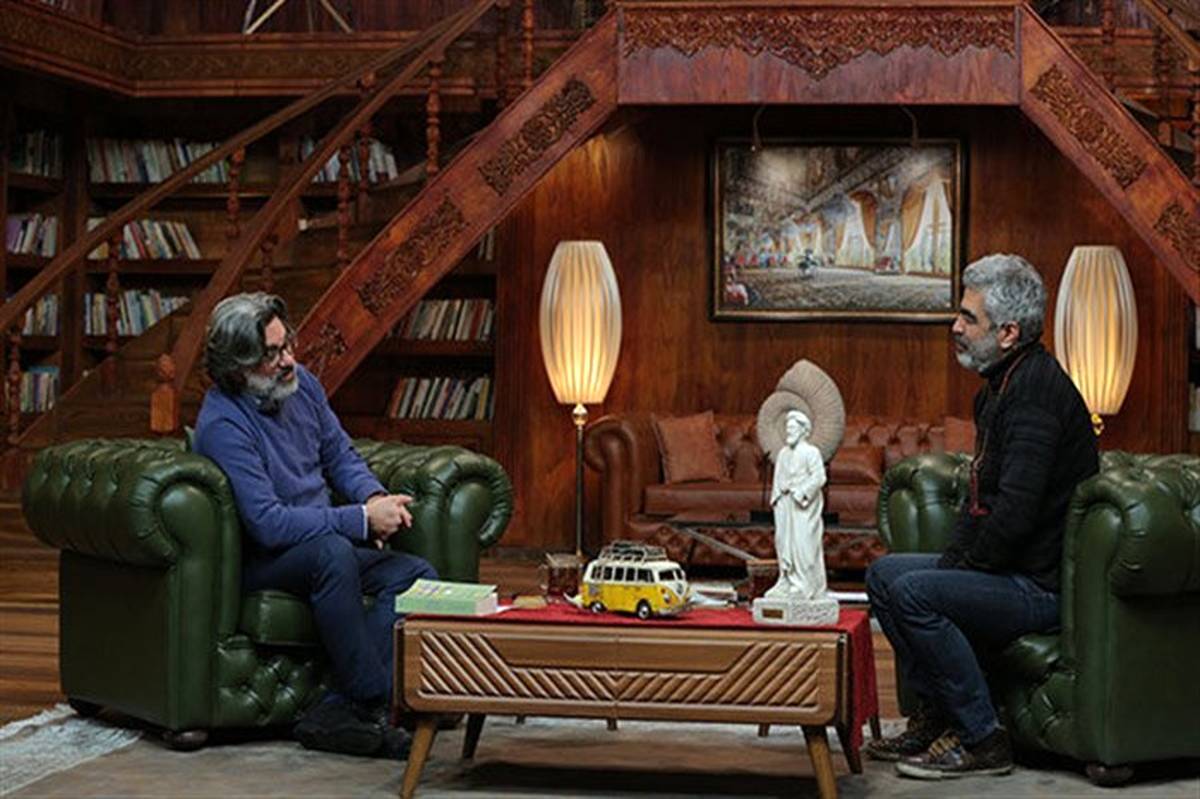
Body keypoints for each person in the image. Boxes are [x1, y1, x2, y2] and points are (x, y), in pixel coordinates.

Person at [864, 254, 1099, 779]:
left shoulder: (1036, 392)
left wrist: (958, 575)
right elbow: (980, 499)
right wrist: (952, 564)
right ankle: (936, 716)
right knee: (884, 576)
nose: (955, 326)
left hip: (1039, 587)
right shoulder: (998, 386)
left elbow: (1014, 514)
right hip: (1007, 573)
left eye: (969, 318)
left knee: (914, 592)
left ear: (1009, 332)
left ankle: (982, 738)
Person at [193, 292, 437, 759]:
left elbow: (340, 455)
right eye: (272, 354)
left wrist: (373, 497)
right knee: (332, 550)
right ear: (236, 368)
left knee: (414, 575)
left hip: (322, 547)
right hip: (265, 559)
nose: (288, 360)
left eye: (287, 345)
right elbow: (268, 524)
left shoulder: (302, 385)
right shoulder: (224, 423)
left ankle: (340, 710)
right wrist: (360, 520)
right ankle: (372, 702)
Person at [765, 410, 827, 600]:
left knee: (804, 545)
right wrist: (777, 499)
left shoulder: (811, 452)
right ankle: (786, 579)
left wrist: (801, 492)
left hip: (802, 507)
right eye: (787, 428)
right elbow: (778, 479)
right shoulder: (783, 453)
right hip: (785, 505)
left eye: (792, 428)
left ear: (802, 430)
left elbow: (819, 477)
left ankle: (805, 584)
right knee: (784, 544)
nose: (788, 432)